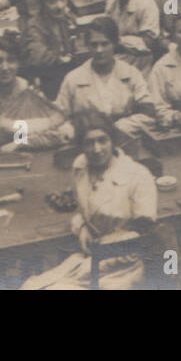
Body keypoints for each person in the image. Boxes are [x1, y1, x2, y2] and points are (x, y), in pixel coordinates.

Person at [22, 112, 158, 290]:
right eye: (89, 142)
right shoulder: (81, 166)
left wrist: (101, 251)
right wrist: (81, 227)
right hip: (88, 259)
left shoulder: (137, 175)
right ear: (81, 146)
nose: (97, 149)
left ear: (113, 141)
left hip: (124, 266)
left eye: (103, 140)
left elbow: (143, 235)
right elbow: (81, 209)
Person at [41, 16, 156, 143]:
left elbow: (149, 113)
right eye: (94, 45)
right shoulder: (73, 79)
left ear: (115, 43)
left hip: (125, 140)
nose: (99, 50)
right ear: (87, 46)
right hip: (85, 145)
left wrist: (117, 128)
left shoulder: (131, 74)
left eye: (105, 44)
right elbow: (59, 119)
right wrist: (76, 131)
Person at [21, 0, 75, 92]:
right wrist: (60, 59)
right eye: (52, 2)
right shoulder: (34, 26)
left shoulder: (64, 19)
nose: (59, 6)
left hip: (64, 73)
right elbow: (38, 57)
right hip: (45, 79)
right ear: (42, 4)